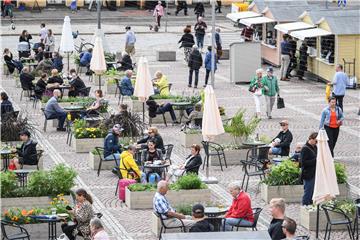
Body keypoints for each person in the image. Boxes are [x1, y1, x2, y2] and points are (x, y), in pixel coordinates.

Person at [300, 132, 318, 206]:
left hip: (313, 172)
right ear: (311, 139)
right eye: (316, 141)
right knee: (308, 192)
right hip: (308, 174)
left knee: (312, 191)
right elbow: (303, 163)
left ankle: (310, 205)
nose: (316, 143)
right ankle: (305, 206)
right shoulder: (305, 149)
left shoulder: (315, 147)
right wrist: (315, 160)